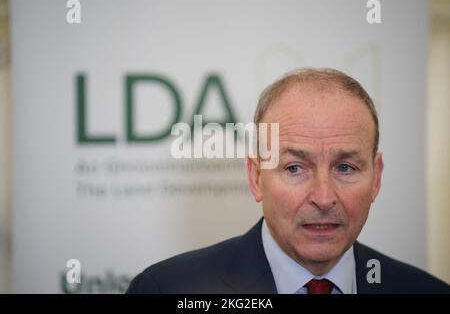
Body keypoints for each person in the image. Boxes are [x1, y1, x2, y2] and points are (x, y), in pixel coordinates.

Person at [126, 68, 449, 294]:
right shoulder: (166, 289)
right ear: (256, 177)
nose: (324, 199)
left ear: (376, 177)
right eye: (295, 168)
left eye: (346, 168)